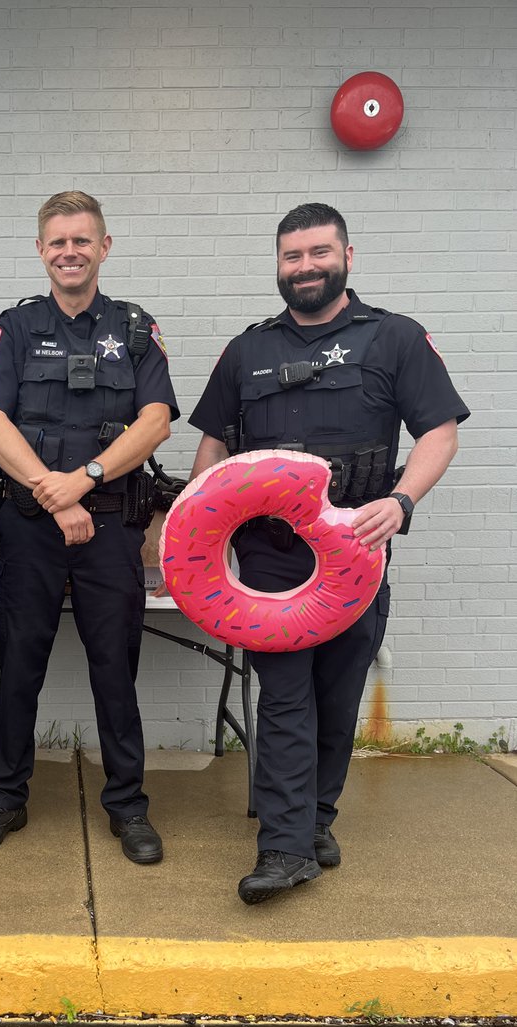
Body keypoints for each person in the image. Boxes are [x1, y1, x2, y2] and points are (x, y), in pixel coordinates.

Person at [189, 202, 470, 905]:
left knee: (336, 696)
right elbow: (215, 449)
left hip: (355, 554)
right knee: (284, 696)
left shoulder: (394, 339)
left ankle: (316, 820)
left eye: (318, 253)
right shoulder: (247, 350)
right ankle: (284, 848)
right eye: (292, 256)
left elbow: (439, 432)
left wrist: (401, 502)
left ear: (348, 255)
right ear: (278, 264)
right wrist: (198, 536)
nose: (305, 266)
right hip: (269, 559)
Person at [0, 191, 179, 864]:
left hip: (111, 525)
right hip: (29, 527)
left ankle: (129, 807)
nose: (70, 252)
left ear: (104, 247)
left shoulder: (136, 328)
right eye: (57, 242)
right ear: (41, 251)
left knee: (116, 668)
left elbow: (156, 421)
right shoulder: (15, 329)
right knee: (19, 665)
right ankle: (4, 799)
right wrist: (56, 499)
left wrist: (82, 480)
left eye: (82, 240)